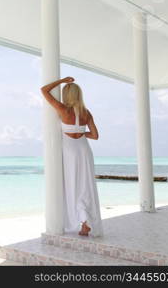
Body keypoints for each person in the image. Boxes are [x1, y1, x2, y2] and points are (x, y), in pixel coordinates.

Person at [41, 77, 103, 237]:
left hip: (69, 151)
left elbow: (44, 90)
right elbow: (95, 136)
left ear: (66, 95)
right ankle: (85, 222)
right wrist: (81, 132)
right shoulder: (86, 112)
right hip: (83, 149)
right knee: (85, 186)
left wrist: (61, 80)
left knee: (71, 186)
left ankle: (82, 221)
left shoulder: (62, 109)